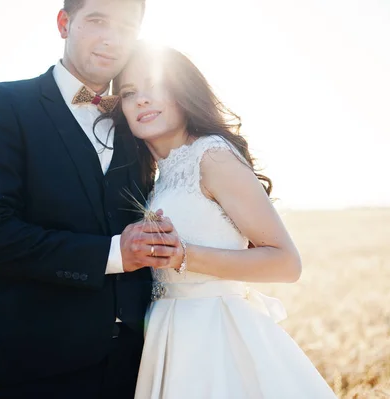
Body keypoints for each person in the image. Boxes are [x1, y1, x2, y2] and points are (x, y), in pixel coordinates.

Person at [0, 2, 181, 398]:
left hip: (135, 367)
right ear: (63, 24)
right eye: (97, 21)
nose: (112, 38)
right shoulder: (0, 106)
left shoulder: (138, 119)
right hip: (31, 367)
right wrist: (111, 254)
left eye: (127, 27)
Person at [106, 42, 338, 398]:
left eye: (156, 86)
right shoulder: (159, 175)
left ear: (184, 92)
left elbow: (286, 263)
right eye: (129, 93)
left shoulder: (212, 156)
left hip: (217, 336)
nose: (142, 100)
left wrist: (184, 255)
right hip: (168, 335)